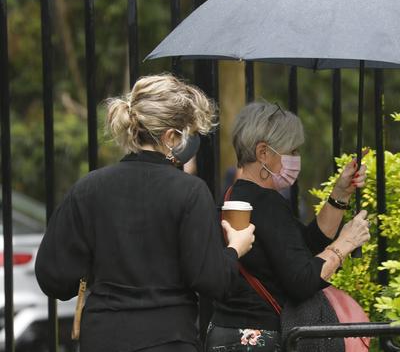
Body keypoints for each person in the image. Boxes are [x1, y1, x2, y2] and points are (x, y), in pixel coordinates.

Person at [35, 74, 255, 352]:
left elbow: (54, 277)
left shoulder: (88, 188)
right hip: (168, 339)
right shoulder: (189, 191)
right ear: (171, 136)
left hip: (102, 338)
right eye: (190, 132)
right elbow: (211, 280)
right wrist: (235, 249)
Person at [205, 102, 371, 351]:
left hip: (228, 334)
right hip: (261, 337)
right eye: (291, 150)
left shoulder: (238, 195)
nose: (296, 158)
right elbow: (302, 279)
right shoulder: (266, 202)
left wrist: (340, 195)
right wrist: (346, 243)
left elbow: (304, 247)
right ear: (263, 153)